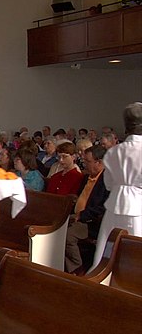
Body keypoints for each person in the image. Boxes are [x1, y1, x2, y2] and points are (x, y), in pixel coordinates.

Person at [92, 102, 142, 268]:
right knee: (135, 256)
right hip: (138, 209)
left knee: (108, 250)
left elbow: (108, 184)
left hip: (114, 205)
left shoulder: (114, 151)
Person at [65, 145, 109, 275]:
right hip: (76, 215)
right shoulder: (86, 177)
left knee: (68, 235)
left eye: (87, 161)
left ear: (99, 162)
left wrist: (82, 215)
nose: (84, 164)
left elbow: (102, 208)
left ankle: (77, 270)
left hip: (91, 222)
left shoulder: (107, 181)